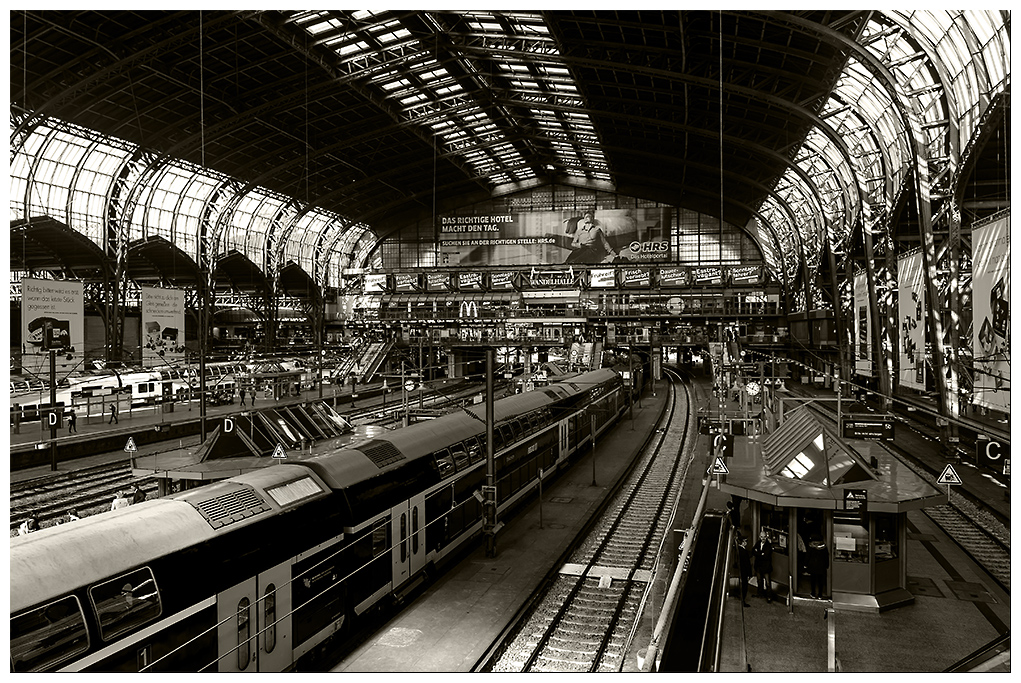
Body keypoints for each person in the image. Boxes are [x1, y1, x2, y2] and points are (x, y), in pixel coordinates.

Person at [752, 529, 775, 602]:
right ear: (759, 537)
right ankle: (760, 593)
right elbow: (753, 551)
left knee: (767, 582)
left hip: (766, 567)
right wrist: (760, 554)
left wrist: (758, 553)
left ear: (766, 537)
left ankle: (769, 596)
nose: (763, 538)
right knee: (759, 581)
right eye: (762, 537)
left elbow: (766, 556)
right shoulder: (758, 543)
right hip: (758, 566)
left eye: (764, 537)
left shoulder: (768, 545)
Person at [736, 534, 752, 607]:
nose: (746, 543)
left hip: (740, 570)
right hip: (744, 571)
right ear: (742, 542)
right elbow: (747, 564)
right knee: (744, 586)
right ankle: (743, 600)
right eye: (745, 541)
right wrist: (749, 574)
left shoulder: (738, 550)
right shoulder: (744, 552)